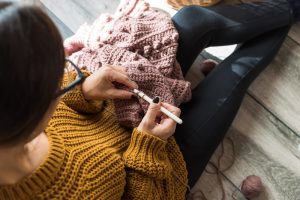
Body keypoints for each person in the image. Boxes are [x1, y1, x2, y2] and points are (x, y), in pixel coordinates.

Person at [0, 0, 298, 199]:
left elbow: (64, 98)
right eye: (57, 80)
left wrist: (84, 89)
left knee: (193, 20)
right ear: (28, 113)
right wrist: (148, 145)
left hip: (109, 113)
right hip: (153, 170)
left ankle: (290, 6)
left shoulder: (17, 115)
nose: (68, 73)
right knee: (234, 76)